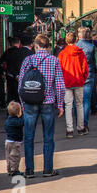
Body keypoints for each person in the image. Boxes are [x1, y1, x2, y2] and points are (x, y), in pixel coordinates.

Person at [18, 34, 65, 178]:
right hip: (48, 103)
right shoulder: (53, 60)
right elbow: (60, 85)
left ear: (36, 46)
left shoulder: (28, 60)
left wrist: (22, 103)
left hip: (29, 104)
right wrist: (60, 104)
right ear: (49, 47)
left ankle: (29, 170)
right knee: (48, 137)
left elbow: (20, 83)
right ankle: (48, 169)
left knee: (29, 137)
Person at [58, 32, 89, 138]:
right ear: (76, 40)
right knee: (79, 105)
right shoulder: (80, 53)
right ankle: (80, 128)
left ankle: (69, 130)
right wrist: (82, 79)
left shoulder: (62, 54)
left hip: (66, 82)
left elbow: (59, 70)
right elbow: (85, 69)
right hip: (78, 81)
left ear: (66, 41)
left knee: (68, 106)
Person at [0, 37, 30, 103]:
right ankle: (19, 109)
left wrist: (2, 72)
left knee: (10, 94)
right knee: (19, 94)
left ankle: (10, 110)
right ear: (19, 43)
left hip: (10, 76)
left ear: (12, 43)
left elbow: (0, 62)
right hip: (21, 76)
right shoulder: (22, 52)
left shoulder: (8, 52)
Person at [75, 27, 96, 131]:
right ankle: (85, 123)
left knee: (77, 101)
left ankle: (78, 122)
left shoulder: (75, 47)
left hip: (77, 76)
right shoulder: (91, 47)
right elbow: (93, 61)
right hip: (88, 74)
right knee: (86, 100)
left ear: (78, 35)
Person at [4, 101, 24, 177]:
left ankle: (9, 169)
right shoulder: (17, 121)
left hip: (8, 141)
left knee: (9, 156)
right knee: (15, 156)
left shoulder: (7, 121)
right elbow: (22, 122)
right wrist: (22, 115)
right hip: (15, 142)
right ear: (18, 112)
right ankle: (14, 170)